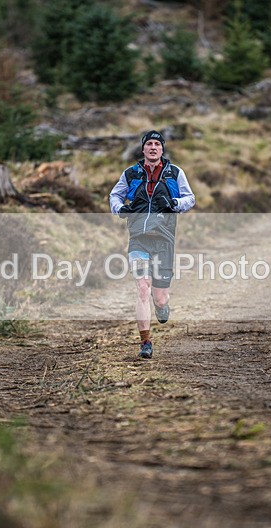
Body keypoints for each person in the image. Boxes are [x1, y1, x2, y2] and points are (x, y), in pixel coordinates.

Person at [109, 130, 196, 359]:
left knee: (159, 296)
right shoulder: (131, 173)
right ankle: (145, 342)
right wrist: (121, 209)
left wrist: (175, 203)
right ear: (143, 148)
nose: (153, 147)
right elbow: (114, 196)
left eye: (157, 144)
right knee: (142, 288)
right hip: (138, 239)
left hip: (164, 240)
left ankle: (162, 306)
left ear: (162, 149)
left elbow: (190, 198)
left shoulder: (174, 173)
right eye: (149, 144)